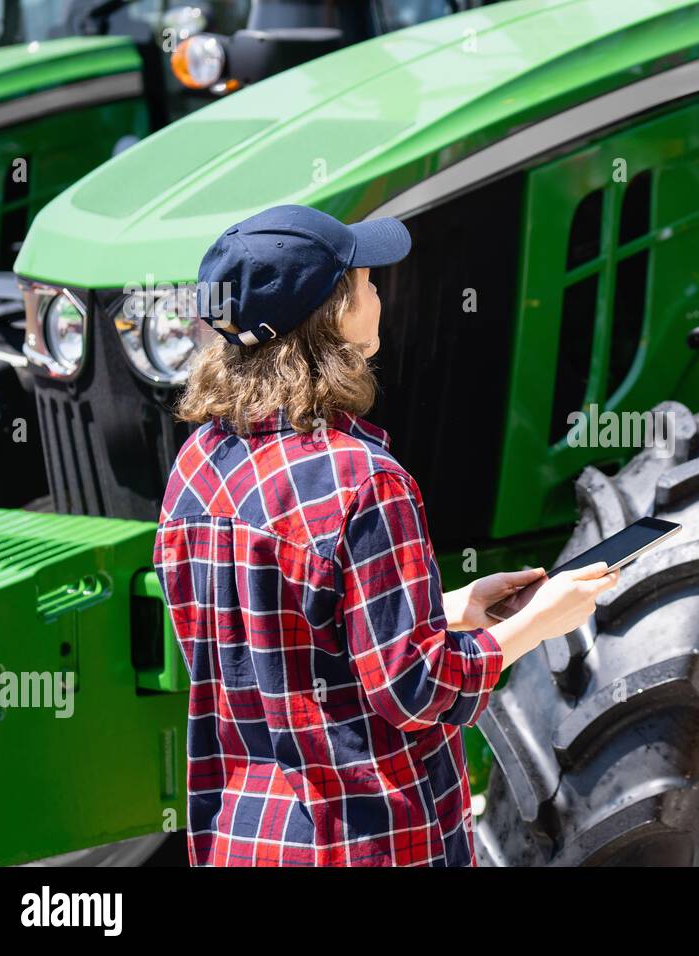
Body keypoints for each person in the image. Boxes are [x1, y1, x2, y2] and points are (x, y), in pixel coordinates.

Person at [153, 204, 618, 866]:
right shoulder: (365, 479)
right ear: (335, 314)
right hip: (364, 840)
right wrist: (541, 622)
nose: (378, 294)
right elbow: (420, 690)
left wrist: (448, 610)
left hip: (244, 834)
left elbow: (262, 642)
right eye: (366, 281)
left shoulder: (198, 462)